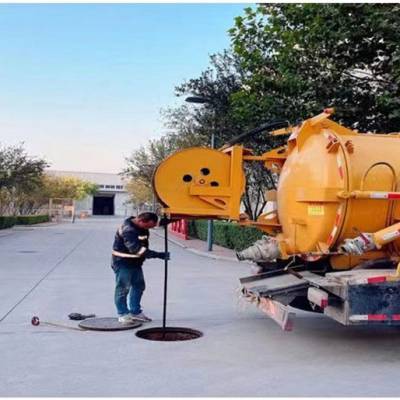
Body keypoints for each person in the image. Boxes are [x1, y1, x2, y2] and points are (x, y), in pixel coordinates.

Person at [111, 212, 169, 323]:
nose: (150, 228)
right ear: (141, 221)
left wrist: (173, 218)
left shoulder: (141, 222)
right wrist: (158, 255)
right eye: (148, 227)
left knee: (139, 286)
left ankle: (135, 311)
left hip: (135, 263)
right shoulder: (128, 230)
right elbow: (136, 250)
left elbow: (156, 223)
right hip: (123, 262)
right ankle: (123, 314)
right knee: (123, 288)